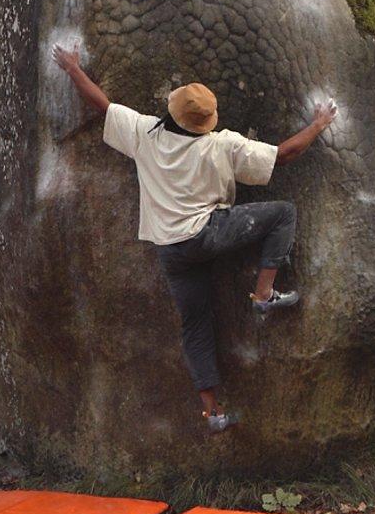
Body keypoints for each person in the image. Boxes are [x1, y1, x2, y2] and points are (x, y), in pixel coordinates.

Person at [53, 46, 336, 432]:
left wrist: (73, 68)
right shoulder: (220, 144)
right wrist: (319, 124)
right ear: (206, 121)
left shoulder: (146, 134)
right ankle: (265, 294)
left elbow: (103, 106)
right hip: (208, 232)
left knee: (196, 326)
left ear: (173, 111)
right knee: (283, 213)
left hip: (171, 249)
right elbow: (283, 155)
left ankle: (213, 412)